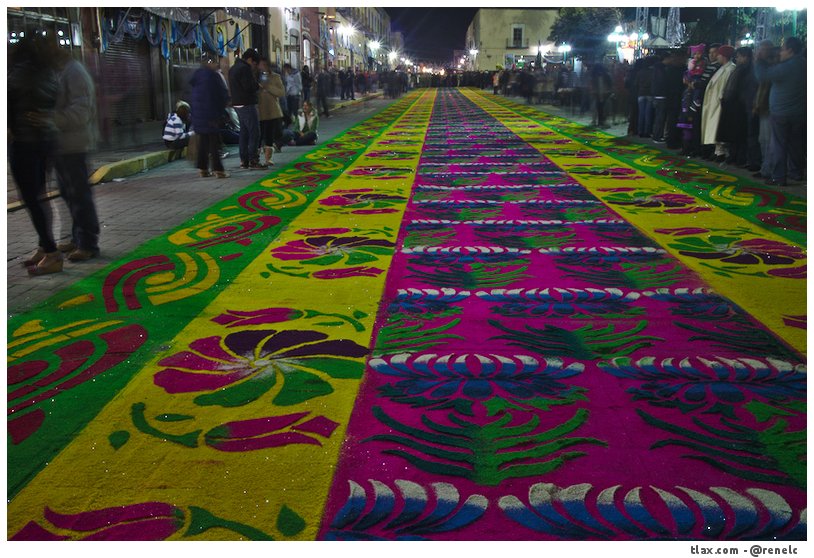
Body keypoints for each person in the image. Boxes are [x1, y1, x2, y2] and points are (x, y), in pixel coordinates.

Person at [8, 35, 62, 275]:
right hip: (46, 141)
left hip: (24, 143)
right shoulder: (49, 74)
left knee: (31, 199)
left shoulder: (17, 74)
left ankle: (51, 252)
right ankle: (44, 246)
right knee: (40, 196)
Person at [53, 46, 101, 262]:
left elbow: (81, 111)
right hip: (62, 145)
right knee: (68, 194)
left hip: (74, 144)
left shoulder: (75, 72)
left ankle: (88, 243)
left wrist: (50, 119)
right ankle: (77, 238)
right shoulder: (62, 72)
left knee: (79, 195)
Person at [754, 36, 806, 187]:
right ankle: (795, 172)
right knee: (795, 144)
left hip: (781, 113)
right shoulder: (805, 65)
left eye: (782, 49)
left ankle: (778, 176)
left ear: (790, 50)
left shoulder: (787, 67)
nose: (780, 53)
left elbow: (762, 76)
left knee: (778, 145)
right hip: (800, 113)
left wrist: (758, 60)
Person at [190, 53, 230, 178]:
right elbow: (222, 95)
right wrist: (221, 111)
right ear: (209, 63)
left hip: (199, 115)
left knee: (203, 142)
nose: (216, 64)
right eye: (214, 62)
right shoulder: (213, 76)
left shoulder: (197, 76)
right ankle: (219, 170)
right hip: (211, 115)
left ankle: (203, 169)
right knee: (214, 142)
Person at [228, 48, 266, 170]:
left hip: (237, 103)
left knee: (244, 133)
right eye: (254, 63)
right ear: (250, 60)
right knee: (254, 132)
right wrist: (257, 85)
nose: (254, 66)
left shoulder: (233, 68)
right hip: (247, 103)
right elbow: (248, 86)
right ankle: (253, 160)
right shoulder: (245, 68)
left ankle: (243, 160)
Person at [701, 44, 737, 163]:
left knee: (718, 127)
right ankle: (717, 151)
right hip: (714, 102)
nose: (717, 57)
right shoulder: (722, 68)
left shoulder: (730, 69)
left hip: (720, 103)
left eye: (719, 55)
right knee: (714, 127)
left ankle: (722, 152)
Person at [258, 58, 286, 165]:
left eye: (265, 64)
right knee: (259, 136)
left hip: (272, 110)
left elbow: (281, 92)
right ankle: (255, 159)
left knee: (270, 135)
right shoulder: (255, 77)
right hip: (260, 110)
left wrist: (268, 87)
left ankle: (267, 158)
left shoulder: (275, 77)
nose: (263, 67)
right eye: (261, 64)